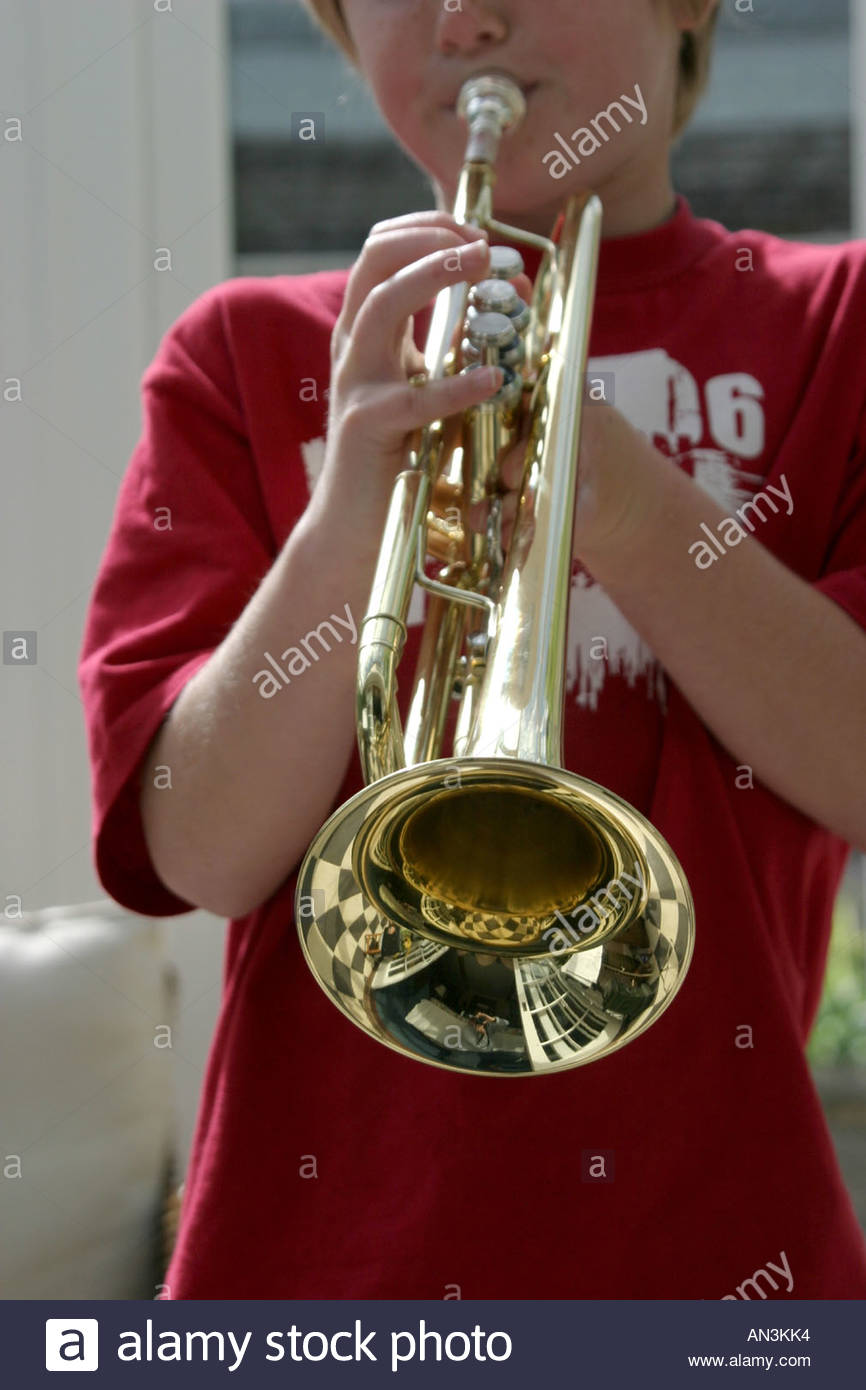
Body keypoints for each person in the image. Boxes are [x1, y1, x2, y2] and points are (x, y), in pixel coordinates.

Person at [77, 0, 866, 1298]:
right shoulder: (244, 356)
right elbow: (198, 848)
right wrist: (348, 518)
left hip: (721, 1265)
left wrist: (612, 498)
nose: (464, 20)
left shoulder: (833, 325)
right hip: (308, 1273)